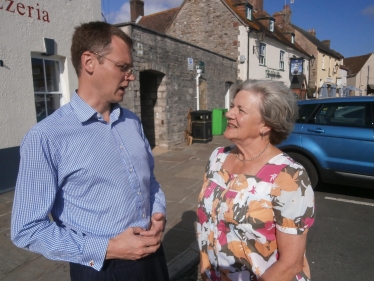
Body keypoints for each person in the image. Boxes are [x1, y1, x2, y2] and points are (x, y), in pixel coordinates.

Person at [11, 21, 169, 281]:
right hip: (101, 269)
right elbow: (27, 229)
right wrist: (107, 248)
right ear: (89, 62)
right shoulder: (46, 137)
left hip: (154, 257)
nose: (130, 76)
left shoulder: (132, 121)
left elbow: (150, 181)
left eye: (130, 68)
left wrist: (158, 213)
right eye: (123, 67)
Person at [197, 80, 315, 281]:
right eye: (232, 106)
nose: (229, 113)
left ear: (266, 124)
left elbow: (290, 264)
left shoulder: (289, 176)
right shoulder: (217, 158)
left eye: (240, 110)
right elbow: (208, 224)